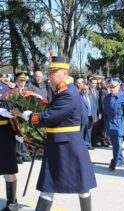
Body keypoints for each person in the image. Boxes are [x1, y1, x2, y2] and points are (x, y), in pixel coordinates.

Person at [22, 56, 96, 211]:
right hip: (61, 144)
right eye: (49, 72)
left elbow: (49, 117)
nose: (49, 75)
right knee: (49, 184)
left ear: (64, 73)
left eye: (53, 72)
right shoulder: (62, 91)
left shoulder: (67, 93)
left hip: (67, 146)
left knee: (80, 186)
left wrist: (29, 116)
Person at [0, 76, 19, 211]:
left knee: (9, 170)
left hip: (4, 132)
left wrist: (20, 132)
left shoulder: (8, 86)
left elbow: (18, 108)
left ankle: (12, 201)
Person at [104, 78, 124, 171]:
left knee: (117, 143)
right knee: (115, 144)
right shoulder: (107, 98)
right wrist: (105, 124)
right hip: (110, 124)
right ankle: (120, 159)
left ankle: (114, 161)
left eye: (114, 87)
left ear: (118, 87)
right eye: (110, 87)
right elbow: (106, 112)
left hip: (120, 124)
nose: (112, 89)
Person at [80, 85, 97, 150]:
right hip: (83, 117)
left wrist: (95, 116)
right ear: (81, 90)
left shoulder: (91, 97)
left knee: (88, 131)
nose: (86, 90)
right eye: (84, 89)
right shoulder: (79, 97)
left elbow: (94, 107)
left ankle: (88, 144)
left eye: (87, 89)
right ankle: (81, 146)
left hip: (90, 117)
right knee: (82, 131)